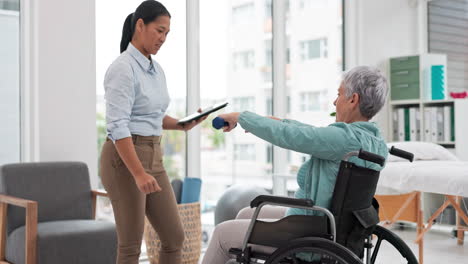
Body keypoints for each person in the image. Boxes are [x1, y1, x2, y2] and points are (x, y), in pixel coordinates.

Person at [201, 66, 389, 263]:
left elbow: (296, 137)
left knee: (223, 234)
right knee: (244, 213)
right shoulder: (373, 141)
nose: (335, 101)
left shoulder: (345, 139)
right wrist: (273, 122)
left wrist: (241, 117)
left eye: (339, 94)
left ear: (353, 100)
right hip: (333, 225)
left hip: (312, 230)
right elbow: (311, 133)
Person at [99, 1, 207, 263]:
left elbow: (153, 115)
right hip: (123, 159)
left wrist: (181, 124)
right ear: (140, 25)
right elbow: (118, 126)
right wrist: (138, 173)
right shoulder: (122, 68)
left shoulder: (155, 69)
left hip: (153, 155)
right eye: (159, 30)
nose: (163, 38)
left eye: (167, 33)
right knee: (131, 245)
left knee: (174, 237)